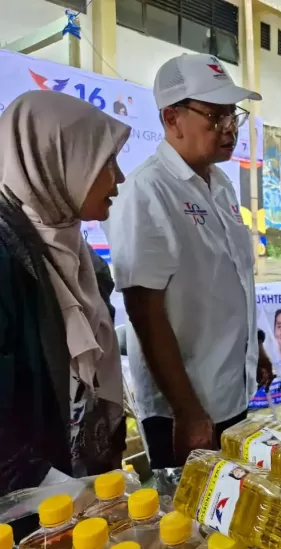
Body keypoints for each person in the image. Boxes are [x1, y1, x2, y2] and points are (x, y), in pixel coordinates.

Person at [106, 54, 272, 469]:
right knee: (191, 526)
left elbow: (229, 279)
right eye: (214, 116)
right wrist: (187, 410)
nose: (230, 127)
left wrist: (255, 348)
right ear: (171, 118)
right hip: (186, 409)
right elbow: (144, 311)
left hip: (229, 390)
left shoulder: (221, 185)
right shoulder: (146, 192)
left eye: (232, 114)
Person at [0, 90, 129, 496]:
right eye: (106, 161)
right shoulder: (6, 258)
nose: (120, 177)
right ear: (59, 159)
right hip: (26, 506)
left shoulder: (82, 259)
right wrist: (63, 495)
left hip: (76, 486)